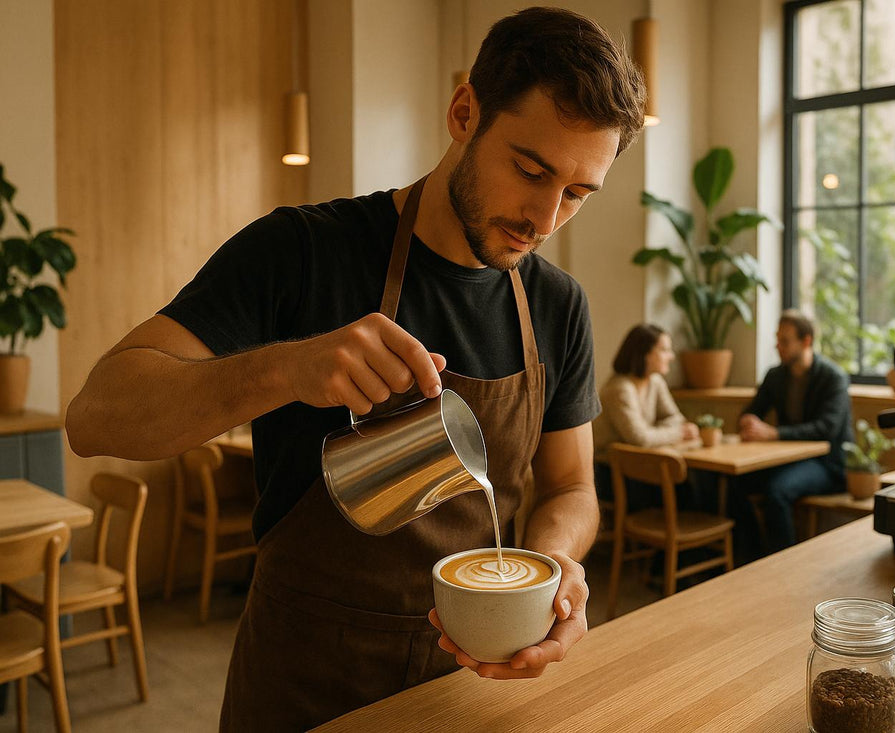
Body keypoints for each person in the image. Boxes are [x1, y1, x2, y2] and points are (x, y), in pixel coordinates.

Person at [65, 7, 646, 730]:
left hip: (470, 682)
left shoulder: (558, 306)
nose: (545, 217)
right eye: (531, 169)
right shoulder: (303, 251)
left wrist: (553, 568)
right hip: (304, 680)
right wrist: (285, 370)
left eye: (577, 194)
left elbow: (570, 486)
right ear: (463, 111)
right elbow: (95, 415)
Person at [734, 309, 853, 554]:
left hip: (828, 464)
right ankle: (751, 558)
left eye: (785, 340)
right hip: (788, 460)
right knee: (732, 484)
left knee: (776, 491)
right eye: (777, 339)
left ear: (806, 341)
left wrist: (773, 434)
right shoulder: (776, 375)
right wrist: (748, 421)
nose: (778, 346)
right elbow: (753, 410)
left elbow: (826, 429)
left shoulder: (834, 377)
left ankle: (781, 563)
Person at [591, 324, 705, 513]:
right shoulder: (620, 389)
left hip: (639, 467)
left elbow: (675, 418)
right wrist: (678, 432)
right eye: (664, 350)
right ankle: (677, 540)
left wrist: (661, 431)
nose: (672, 356)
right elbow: (639, 439)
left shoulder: (655, 382)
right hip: (609, 473)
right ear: (644, 353)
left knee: (698, 481)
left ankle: (687, 540)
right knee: (686, 487)